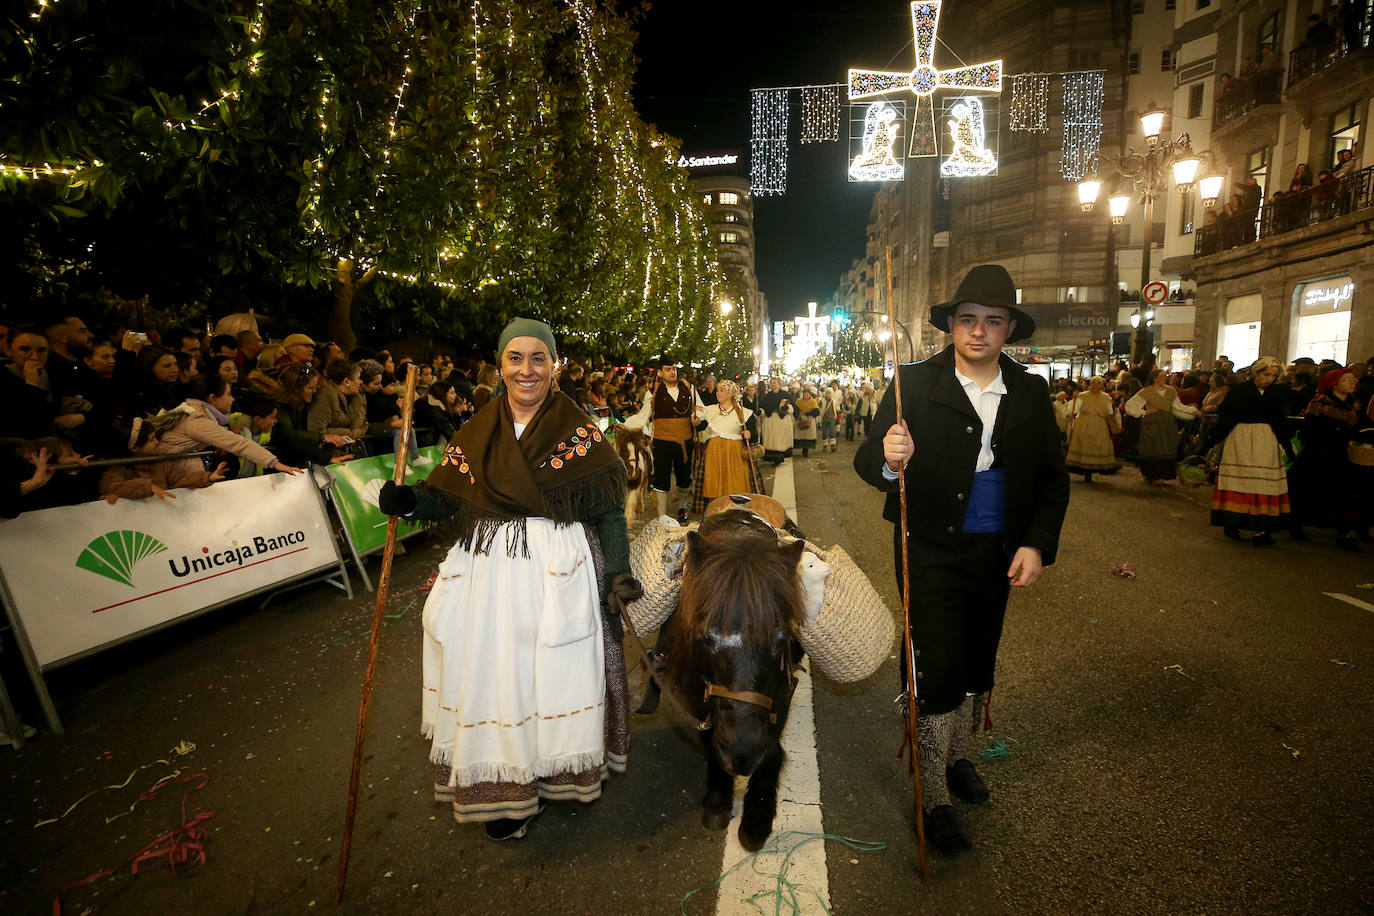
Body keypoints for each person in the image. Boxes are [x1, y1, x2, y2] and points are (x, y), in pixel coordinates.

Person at [377, 318, 635, 841]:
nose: (526, 369)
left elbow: (609, 513)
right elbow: (446, 496)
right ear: (501, 366)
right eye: (515, 358)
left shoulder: (580, 431)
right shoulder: (477, 429)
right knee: (496, 679)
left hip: (557, 571)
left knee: (552, 677)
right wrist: (410, 502)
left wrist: (617, 573)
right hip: (488, 573)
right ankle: (506, 794)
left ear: (554, 366)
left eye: (538, 357)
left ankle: (554, 772)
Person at [854, 264, 1069, 855]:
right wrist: (887, 455)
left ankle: (955, 755)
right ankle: (932, 793)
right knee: (936, 659)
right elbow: (868, 457)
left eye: (992, 321)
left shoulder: (1029, 390)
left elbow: (1052, 479)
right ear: (951, 325)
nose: (979, 332)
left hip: (996, 545)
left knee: (977, 656)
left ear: (1009, 331)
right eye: (968, 320)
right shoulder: (913, 383)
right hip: (928, 543)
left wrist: (1034, 543)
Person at [1205, 356, 1293, 545]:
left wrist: (1285, 443)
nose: (1269, 379)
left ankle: (1261, 529)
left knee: (1263, 483)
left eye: (1273, 376)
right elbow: (1226, 416)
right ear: (1256, 372)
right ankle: (1233, 522)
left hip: (1266, 440)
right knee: (1240, 481)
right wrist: (1212, 440)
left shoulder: (1276, 393)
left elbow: (1280, 419)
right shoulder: (1239, 391)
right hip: (1241, 438)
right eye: (1266, 374)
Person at [1288, 366, 1372, 549]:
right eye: (1346, 380)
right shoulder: (1320, 403)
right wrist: (1338, 431)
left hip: (1344, 453)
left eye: (1353, 380)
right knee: (1312, 490)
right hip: (1320, 454)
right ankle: (1297, 523)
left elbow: (1363, 423)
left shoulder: (1354, 403)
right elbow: (1311, 428)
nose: (1352, 383)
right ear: (1334, 384)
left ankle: (1344, 532)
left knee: (1344, 493)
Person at [621, 356, 704, 517]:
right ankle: (662, 516)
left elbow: (701, 409)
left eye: (674, 368)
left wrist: (698, 418)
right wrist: (624, 425)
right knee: (661, 478)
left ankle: (682, 508)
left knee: (684, 478)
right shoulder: (653, 393)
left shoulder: (689, 388)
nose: (672, 372)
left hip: (684, 442)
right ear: (660, 372)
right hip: (661, 442)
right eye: (668, 369)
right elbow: (643, 416)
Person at [690, 379, 762, 513]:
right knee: (714, 482)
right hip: (714, 451)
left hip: (735, 452)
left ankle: (737, 510)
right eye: (718, 390)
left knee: (736, 481)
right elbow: (702, 426)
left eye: (722, 390)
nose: (718, 393)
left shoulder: (743, 412)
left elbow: (754, 434)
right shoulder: (710, 410)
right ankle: (717, 510)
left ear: (731, 393)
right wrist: (696, 423)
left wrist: (749, 433)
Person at [1125, 369, 1200, 484]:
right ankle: (1151, 474)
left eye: (1165, 376)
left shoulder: (1170, 391)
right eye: (1161, 376)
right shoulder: (1147, 391)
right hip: (1153, 421)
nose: (1164, 378)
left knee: (1165, 447)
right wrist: (1144, 412)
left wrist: (1192, 410)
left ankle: (1161, 475)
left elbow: (1178, 406)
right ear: (1154, 378)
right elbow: (1131, 405)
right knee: (1153, 447)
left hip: (1166, 422)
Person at [1064, 376, 1121, 481]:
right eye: (1093, 383)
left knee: (1096, 446)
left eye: (1098, 383)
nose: (1095, 385)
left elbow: (1109, 412)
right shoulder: (1082, 396)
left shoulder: (1106, 397)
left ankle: (1092, 471)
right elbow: (1077, 409)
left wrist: (1115, 425)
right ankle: (1085, 473)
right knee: (1084, 445)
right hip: (1084, 424)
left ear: (1102, 385)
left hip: (1099, 425)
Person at [758, 377, 794, 465]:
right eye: (771, 383)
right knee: (773, 439)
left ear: (779, 384)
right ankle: (775, 458)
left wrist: (786, 409)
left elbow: (793, 406)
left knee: (781, 439)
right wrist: (761, 411)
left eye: (774, 383)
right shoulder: (767, 396)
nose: (773, 384)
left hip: (782, 420)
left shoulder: (785, 395)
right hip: (771, 420)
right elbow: (762, 407)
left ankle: (781, 456)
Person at [794, 386, 820, 457]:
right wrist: (798, 416)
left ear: (810, 395)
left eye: (807, 394)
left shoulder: (813, 402)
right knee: (802, 435)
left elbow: (817, 412)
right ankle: (803, 449)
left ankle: (806, 451)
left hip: (809, 420)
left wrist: (809, 413)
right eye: (804, 394)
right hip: (801, 419)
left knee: (808, 436)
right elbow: (796, 410)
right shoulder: (799, 401)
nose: (806, 396)